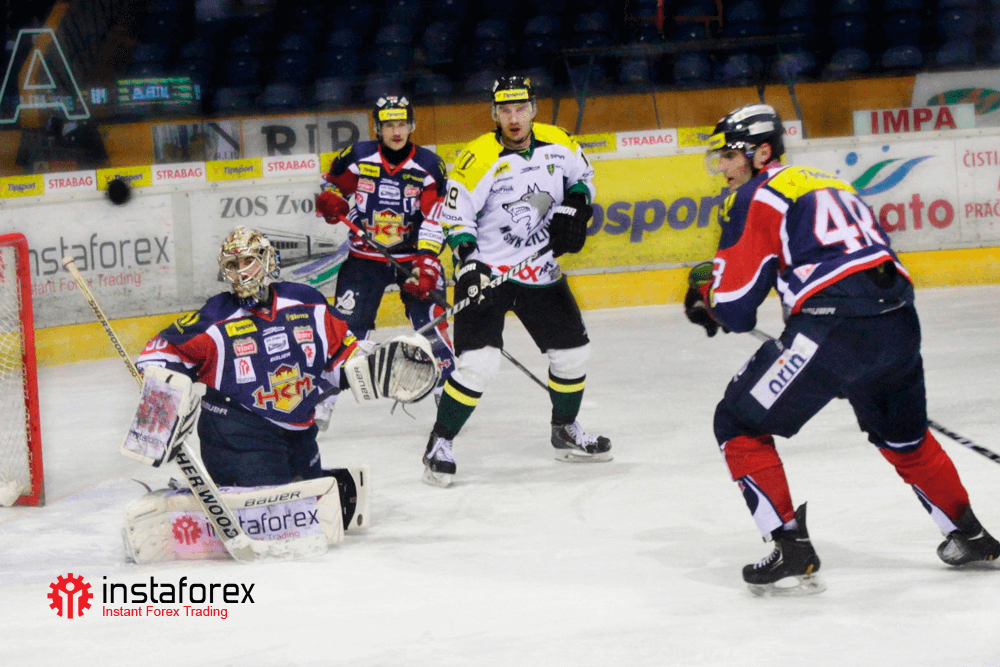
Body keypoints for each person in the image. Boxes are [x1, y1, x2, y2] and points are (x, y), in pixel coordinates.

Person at [686, 103, 999, 595]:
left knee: (737, 421)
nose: (722, 167)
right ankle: (971, 536)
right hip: (899, 322)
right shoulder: (827, 182)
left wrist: (707, 297)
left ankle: (790, 546)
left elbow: (737, 309)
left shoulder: (756, 195)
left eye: (729, 155)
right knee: (904, 439)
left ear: (761, 153)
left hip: (832, 328)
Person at [135, 226, 438, 488]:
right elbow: (158, 354)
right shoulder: (217, 316)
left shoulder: (307, 302)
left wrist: (367, 368)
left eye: (249, 261)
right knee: (276, 511)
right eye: (233, 264)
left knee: (311, 508)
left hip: (299, 430)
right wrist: (163, 403)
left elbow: (339, 358)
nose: (241, 272)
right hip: (238, 434)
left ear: (267, 261)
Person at [418, 75, 611, 487]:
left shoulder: (560, 141)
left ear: (533, 109)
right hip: (487, 272)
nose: (514, 118)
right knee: (478, 364)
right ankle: (440, 442)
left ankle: (565, 429)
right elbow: (456, 219)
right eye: (505, 110)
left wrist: (578, 202)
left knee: (573, 354)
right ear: (494, 113)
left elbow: (583, 177)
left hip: (539, 270)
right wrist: (469, 263)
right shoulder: (477, 157)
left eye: (521, 108)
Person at [315, 94, 455, 403]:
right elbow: (331, 187)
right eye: (389, 125)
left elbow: (435, 218)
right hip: (364, 258)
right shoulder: (357, 156)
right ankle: (323, 404)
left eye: (402, 124)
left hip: (413, 259)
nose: (396, 131)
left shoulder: (430, 165)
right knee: (346, 333)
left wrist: (427, 262)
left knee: (431, 326)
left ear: (412, 126)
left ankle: (446, 398)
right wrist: (331, 200)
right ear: (378, 128)